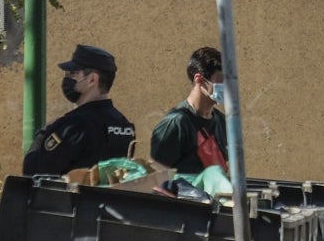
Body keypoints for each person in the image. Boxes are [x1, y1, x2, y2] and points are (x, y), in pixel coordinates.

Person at [22, 44, 136, 176]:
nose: (67, 79)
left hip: (71, 196)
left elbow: (34, 170)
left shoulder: (74, 125)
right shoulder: (124, 125)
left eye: (73, 73)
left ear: (92, 79)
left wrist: (42, 135)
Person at [149, 46, 229, 174]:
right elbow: (158, 178)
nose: (227, 87)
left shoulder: (222, 122)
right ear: (199, 80)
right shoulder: (176, 123)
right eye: (221, 80)